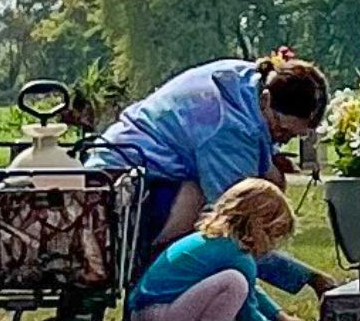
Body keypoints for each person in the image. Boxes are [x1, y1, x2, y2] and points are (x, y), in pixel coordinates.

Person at [87, 53, 336, 297]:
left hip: (132, 163)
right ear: (266, 99)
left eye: (291, 137)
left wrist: (266, 157)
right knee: (205, 213)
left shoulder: (247, 79)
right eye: (281, 131)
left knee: (269, 180)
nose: (281, 141)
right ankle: (154, 288)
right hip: (122, 187)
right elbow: (235, 232)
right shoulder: (228, 128)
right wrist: (308, 278)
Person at [128, 178, 307, 321]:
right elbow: (247, 311)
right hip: (159, 320)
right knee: (234, 282)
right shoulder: (237, 255)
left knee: (237, 283)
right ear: (258, 226)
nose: (271, 246)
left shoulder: (215, 241)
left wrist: (279, 316)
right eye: (272, 236)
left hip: (143, 318)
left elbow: (251, 290)